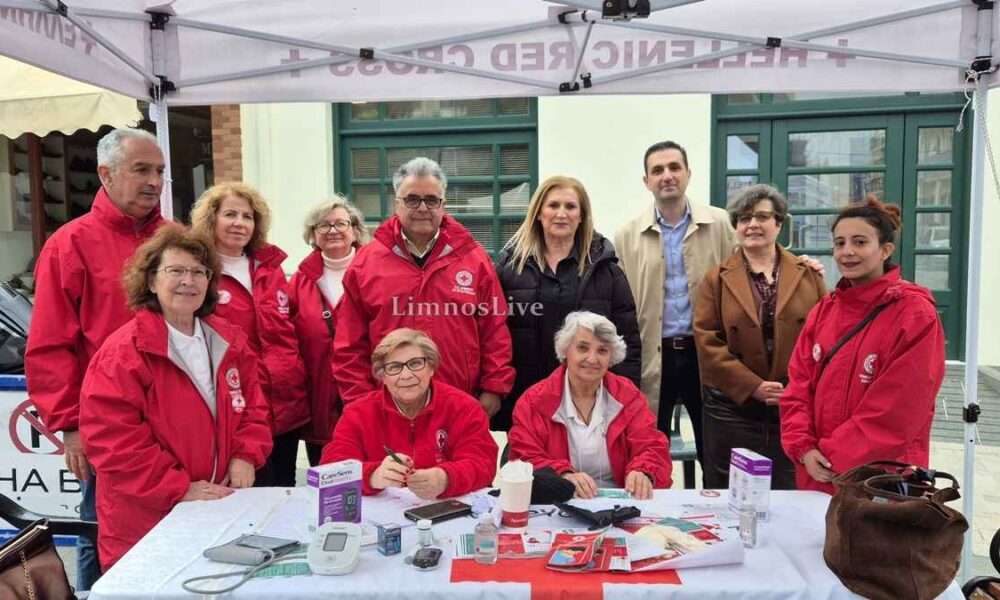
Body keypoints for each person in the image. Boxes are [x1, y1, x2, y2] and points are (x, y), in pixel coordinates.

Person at [79, 225, 272, 571]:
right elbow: (112, 441)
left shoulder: (229, 341)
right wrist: (178, 487)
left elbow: (253, 407)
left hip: (217, 506)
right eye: (176, 270)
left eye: (199, 271)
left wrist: (246, 454)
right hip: (146, 520)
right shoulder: (124, 353)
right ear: (151, 281)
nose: (189, 280)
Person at [25, 127, 166, 590]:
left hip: (176, 419)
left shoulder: (176, 240)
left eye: (160, 171)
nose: (154, 182)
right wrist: (70, 427)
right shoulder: (70, 244)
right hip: (108, 425)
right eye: (141, 170)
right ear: (104, 174)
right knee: (101, 533)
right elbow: (50, 346)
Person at [781, 196, 945, 494]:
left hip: (879, 478)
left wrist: (831, 457)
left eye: (859, 242)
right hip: (817, 472)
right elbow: (797, 387)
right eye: (839, 243)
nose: (847, 252)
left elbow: (899, 409)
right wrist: (803, 447)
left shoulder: (914, 314)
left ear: (885, 250)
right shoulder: (824, 311)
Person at [333, 157, 514, 418]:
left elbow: (494, 328)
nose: (422, 208)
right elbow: (349, 343)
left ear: (443, 205)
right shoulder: (366, 263)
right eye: (412, 199)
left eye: (431, 200)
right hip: (387, 404)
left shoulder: (473, 259)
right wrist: (360, 400)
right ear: (397, 203)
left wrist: (494, 388)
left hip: (460, 402)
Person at [693, 185, 826, 489]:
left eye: (762, 216)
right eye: (743, 218)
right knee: (731, 491)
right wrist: (752, 387)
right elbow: (706, 340)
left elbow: (824, 338)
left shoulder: (809, 275)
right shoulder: (716, 278)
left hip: (791, 406)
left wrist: (798, 388)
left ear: (779, 223)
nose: (752, 224)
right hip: (731, 409)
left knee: (788, 490)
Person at [614, 141, 736, 471]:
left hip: (706, 353)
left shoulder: (720, 224)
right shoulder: (627, 235)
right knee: (651, 448)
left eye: (674, 168)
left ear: (688, 174)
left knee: (715, 448)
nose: (667, 176)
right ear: (646, 181)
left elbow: (748, 270)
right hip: (656, 355)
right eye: (658, 170)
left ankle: (716, 515)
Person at [495, 175, 640, 431]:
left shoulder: (606, 271)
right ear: (539, 213)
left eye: (570, 206)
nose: (561, 213)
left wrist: (624, 400)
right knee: (526, 470)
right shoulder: (508, 269)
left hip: (590, 401)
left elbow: (627, 340)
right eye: (553, 205)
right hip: (527, 399)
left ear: (582, 216)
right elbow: (494, 336)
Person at [190, 183, 307, 486]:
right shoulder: (199, 271)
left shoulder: (270, 268)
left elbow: (289, 328)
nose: (240, 223)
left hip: (285, 402)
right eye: (230, 214)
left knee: (284, 488)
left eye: (247, 216)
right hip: (237, 406)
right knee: (247, 493)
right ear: (211, 220)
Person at [508, 311, 672, 499]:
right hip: (561, 500)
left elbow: (652, 446)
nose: (592, 359)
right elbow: (524, 458)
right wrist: (563, 476)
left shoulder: (628, 396)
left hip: (622, 499)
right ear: (565, 351)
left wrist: (643, 471)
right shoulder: (534, 401)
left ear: (611, 357)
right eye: (583, 348)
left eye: (602, 350)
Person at [322, 328, 498, 499]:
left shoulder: (464, 407)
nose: (406, 375)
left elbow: (483, 463)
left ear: (431, 367)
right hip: (380, 514)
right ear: (383, 376)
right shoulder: (358, 413)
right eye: (394, 367)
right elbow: (331, 469)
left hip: (446, 510)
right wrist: (372, 476)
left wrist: (445, 478)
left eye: (415, 364)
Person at [288, 197, 368, 465]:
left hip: (366, 398)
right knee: (326, 487)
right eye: (323, 225)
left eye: (341, 223)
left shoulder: (374, 273)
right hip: (319, 403)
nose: (333, 230)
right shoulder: (299, 282)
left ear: (355, 230)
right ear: (313, 235)